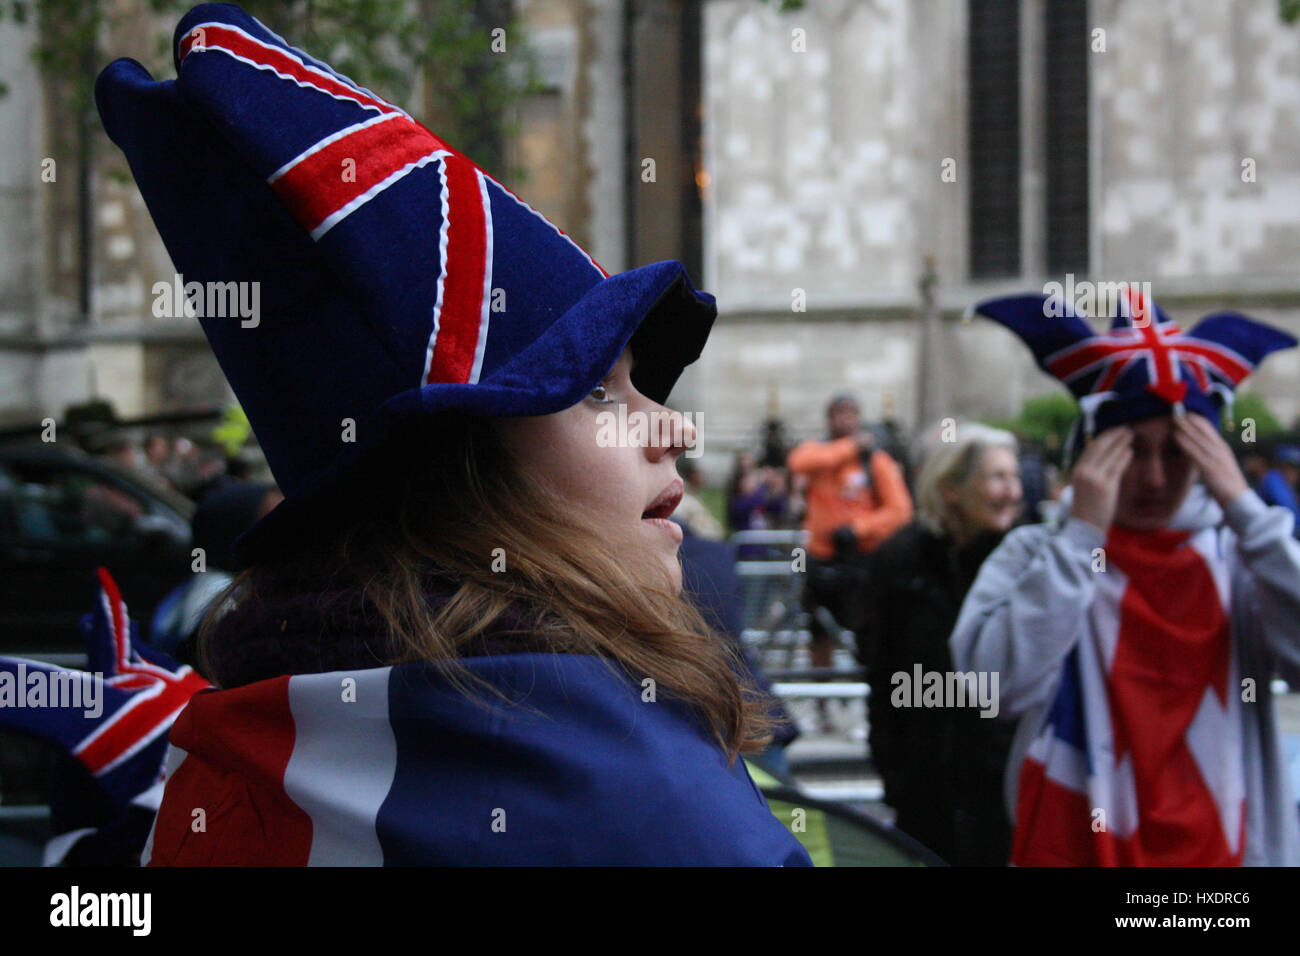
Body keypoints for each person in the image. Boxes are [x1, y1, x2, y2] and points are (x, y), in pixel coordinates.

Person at [97, 3, 810, 866]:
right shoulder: (658, 811)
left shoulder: (218, 776)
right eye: (594, 390)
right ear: (454, 468)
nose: (673, 428)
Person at [952, 290, 1300, 866]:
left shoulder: (1241, 558)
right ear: (1093, 450)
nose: (1155, 478)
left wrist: (1247, 512)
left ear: (1211, 454)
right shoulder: (1038, 552)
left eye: (1179, 453)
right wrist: (1081, 537)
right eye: (1133, 450)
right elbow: (994, 688)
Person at [860, 422, 1022, 865]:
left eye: (1014, 477)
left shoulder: (1025, 561)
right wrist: (893, 773)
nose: (1013, 491)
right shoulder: (899, 561)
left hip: (1003, 790)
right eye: (997, 477)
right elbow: (882, 673)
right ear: (951, 488)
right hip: (922, 787)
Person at [787, 394, 913, 677]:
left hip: (860, 560)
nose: (845, 419)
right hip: (819, 559)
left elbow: (901, 510)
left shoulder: (876, 461)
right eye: (839, 413)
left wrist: (858, 530)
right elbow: (796, 462)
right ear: (829, 418)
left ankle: (867, 687)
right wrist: (849, 447)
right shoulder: (817, 454)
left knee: (866, 630)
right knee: (818, 634)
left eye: (851, 413)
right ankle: (822, 700)